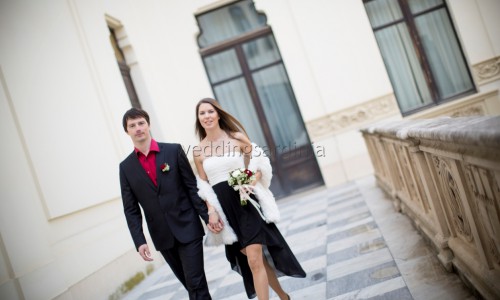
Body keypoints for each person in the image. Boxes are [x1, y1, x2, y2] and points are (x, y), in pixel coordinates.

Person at [193, 98, 306, 300]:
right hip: (225, 210)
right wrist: (211, 210)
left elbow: (259, 164)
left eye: (210, 111)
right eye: (202, 113)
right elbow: (203, 186)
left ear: (218, 114)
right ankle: (283, 296)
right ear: (199, 119)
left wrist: (250, 183)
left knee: (254, 259)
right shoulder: (198, 151)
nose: (207, 116)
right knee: (256, 261)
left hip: (245, 203)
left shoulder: (237, 138)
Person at [119, 107, 223, 300]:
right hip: (162, 236)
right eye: (132, 125)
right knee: (191, 285)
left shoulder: (173, 150)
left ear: (148, 125)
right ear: (127, 131)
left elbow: (191, 187)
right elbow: (130, 209)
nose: (138, 128)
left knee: (194, 282)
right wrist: (139, 240)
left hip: (188, 227)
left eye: (141, 123)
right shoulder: (125, 168)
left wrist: (207, 215)